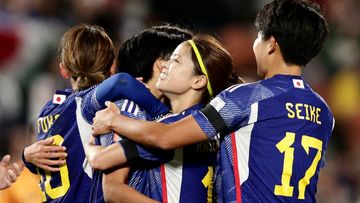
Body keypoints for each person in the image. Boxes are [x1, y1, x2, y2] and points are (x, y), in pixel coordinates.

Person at [92, 0, 334, 202]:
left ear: (271, 44)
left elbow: (166, 136)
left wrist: (115, 121)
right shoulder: (324, 113)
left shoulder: (248, 97)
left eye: (258, 36)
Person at [87, 34, 241, 202]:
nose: (164, 65)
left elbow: (101, 162)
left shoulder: (172, 128)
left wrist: (91, 140)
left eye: (175, 60)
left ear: (198, 81)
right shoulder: (210, 128)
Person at [21, 24, 157, 202]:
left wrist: (26, 158)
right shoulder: (86, 104)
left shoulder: (48, 110)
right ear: (113, 67)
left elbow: (45, 161)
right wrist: (160, 111)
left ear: (63, 69)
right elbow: (121, 82)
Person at [80, 25, 194, 203]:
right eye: (180, 59)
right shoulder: (128, 110)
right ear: (160, 66)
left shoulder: (173, 115)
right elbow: (112, 190)